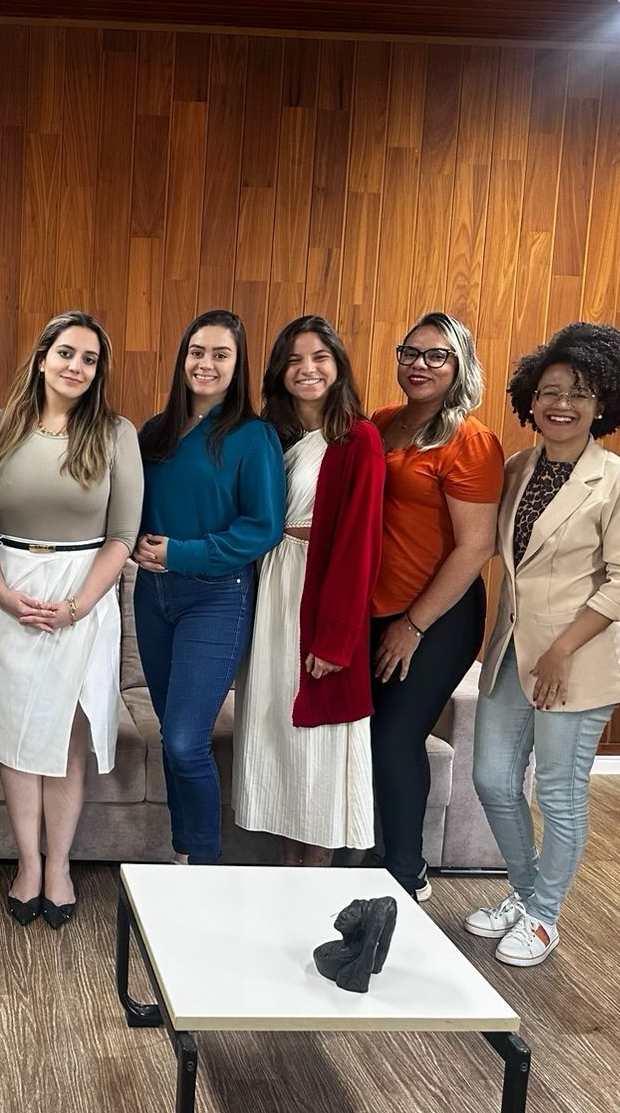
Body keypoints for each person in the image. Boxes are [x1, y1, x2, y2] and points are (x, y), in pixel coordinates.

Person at [465, 322, 620, 966]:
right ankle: (524, 893)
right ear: (530, 399)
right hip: (509, 653)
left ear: (604, 403)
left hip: (576, 661)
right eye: (549, 391)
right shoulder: (517, 467)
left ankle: (546, 915)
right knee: (491, 779)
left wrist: (562, 648)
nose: (562, 404)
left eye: (578, 392)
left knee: (559, 792)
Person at [0, 311, 142, 928]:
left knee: (66, 737)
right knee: (18, 736)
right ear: (42, 358)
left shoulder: (116, 433)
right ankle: (27, 865)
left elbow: (122, 535)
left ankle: (59, 864)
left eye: (90, 359)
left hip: (81, 596)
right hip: (9, 592)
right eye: (66, 353)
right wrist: (4, 594)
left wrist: (76, 605)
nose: (76, 367)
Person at [133, 309, 285, 866]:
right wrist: (131, 546)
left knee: (184, 740)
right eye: (197, 351)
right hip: (152, 599)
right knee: (173, 739)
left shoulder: (252, 436)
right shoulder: (154, 431)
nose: (206, 363)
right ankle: (183, 855)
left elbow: (263, 526)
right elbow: (130, 509)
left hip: (216, 597)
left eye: (221, 354)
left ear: (237, 364)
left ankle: (202, 865)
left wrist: (182, 552)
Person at [233, 315, 383, 867]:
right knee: (277, 731)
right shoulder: (267, 435)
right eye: (294, 359)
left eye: (319, 356)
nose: (307, 369)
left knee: (317, 739)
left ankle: (313, 872)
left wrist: (335, 638)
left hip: (317, 590)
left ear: (338, 365)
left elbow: (359, 545)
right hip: (272, 588)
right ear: (278, 371)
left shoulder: (358, 439)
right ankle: (287, 868)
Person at [370, 311, 503, 900]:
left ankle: (406, 871)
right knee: (371, 734)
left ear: (459, 366)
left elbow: (477, 546)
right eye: (410, 352)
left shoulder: (470, 441)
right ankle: (373, 850)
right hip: (374, 610)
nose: (419, 365)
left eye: (436, 355)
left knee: (397, 737)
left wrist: (412, 625)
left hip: (437, 618)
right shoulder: (382, 423)